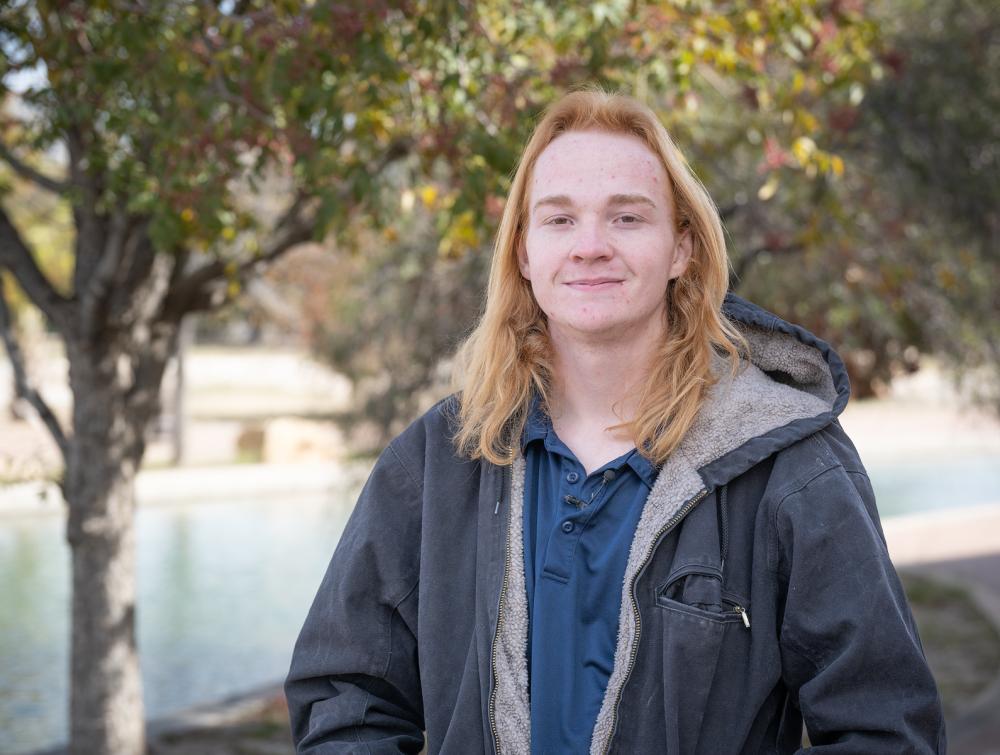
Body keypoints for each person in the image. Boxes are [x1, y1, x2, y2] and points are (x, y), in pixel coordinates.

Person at [285, 88, 945, 754]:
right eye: (560, 220)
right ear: (523, 252)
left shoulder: (792, 466)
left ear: (682, 248)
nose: (591, 246)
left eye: (627, 218)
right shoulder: (440, 457)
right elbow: (344, 698)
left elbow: (887, 729)